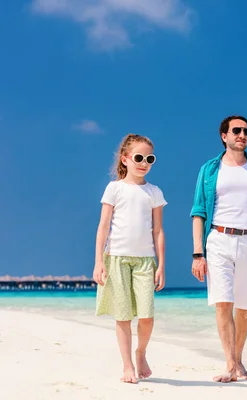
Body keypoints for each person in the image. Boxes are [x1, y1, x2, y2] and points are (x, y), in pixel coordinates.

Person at [190, 115, 247, 383]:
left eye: (246, 131)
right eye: (236, 130)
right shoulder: (209, 170)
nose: (242, 135)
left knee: (244, 308)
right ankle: (230, 364)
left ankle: (238, 360)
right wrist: (198, 254)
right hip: (218, 239)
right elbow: (199, 212)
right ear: (224, 135)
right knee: (223, 302)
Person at [92, 133, 167, 384]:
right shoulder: (114, 188)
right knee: (123, 316)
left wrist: (161, 266)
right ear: (125, 159)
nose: (144, 162)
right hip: (117, 259)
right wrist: (98, 262)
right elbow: (103, 226)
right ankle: (127, 365)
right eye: (138, 157)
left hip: (145, 260)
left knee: (147, 316)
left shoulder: (154, 192)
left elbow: (158, 231)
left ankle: (141, 352)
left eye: (149, 158)